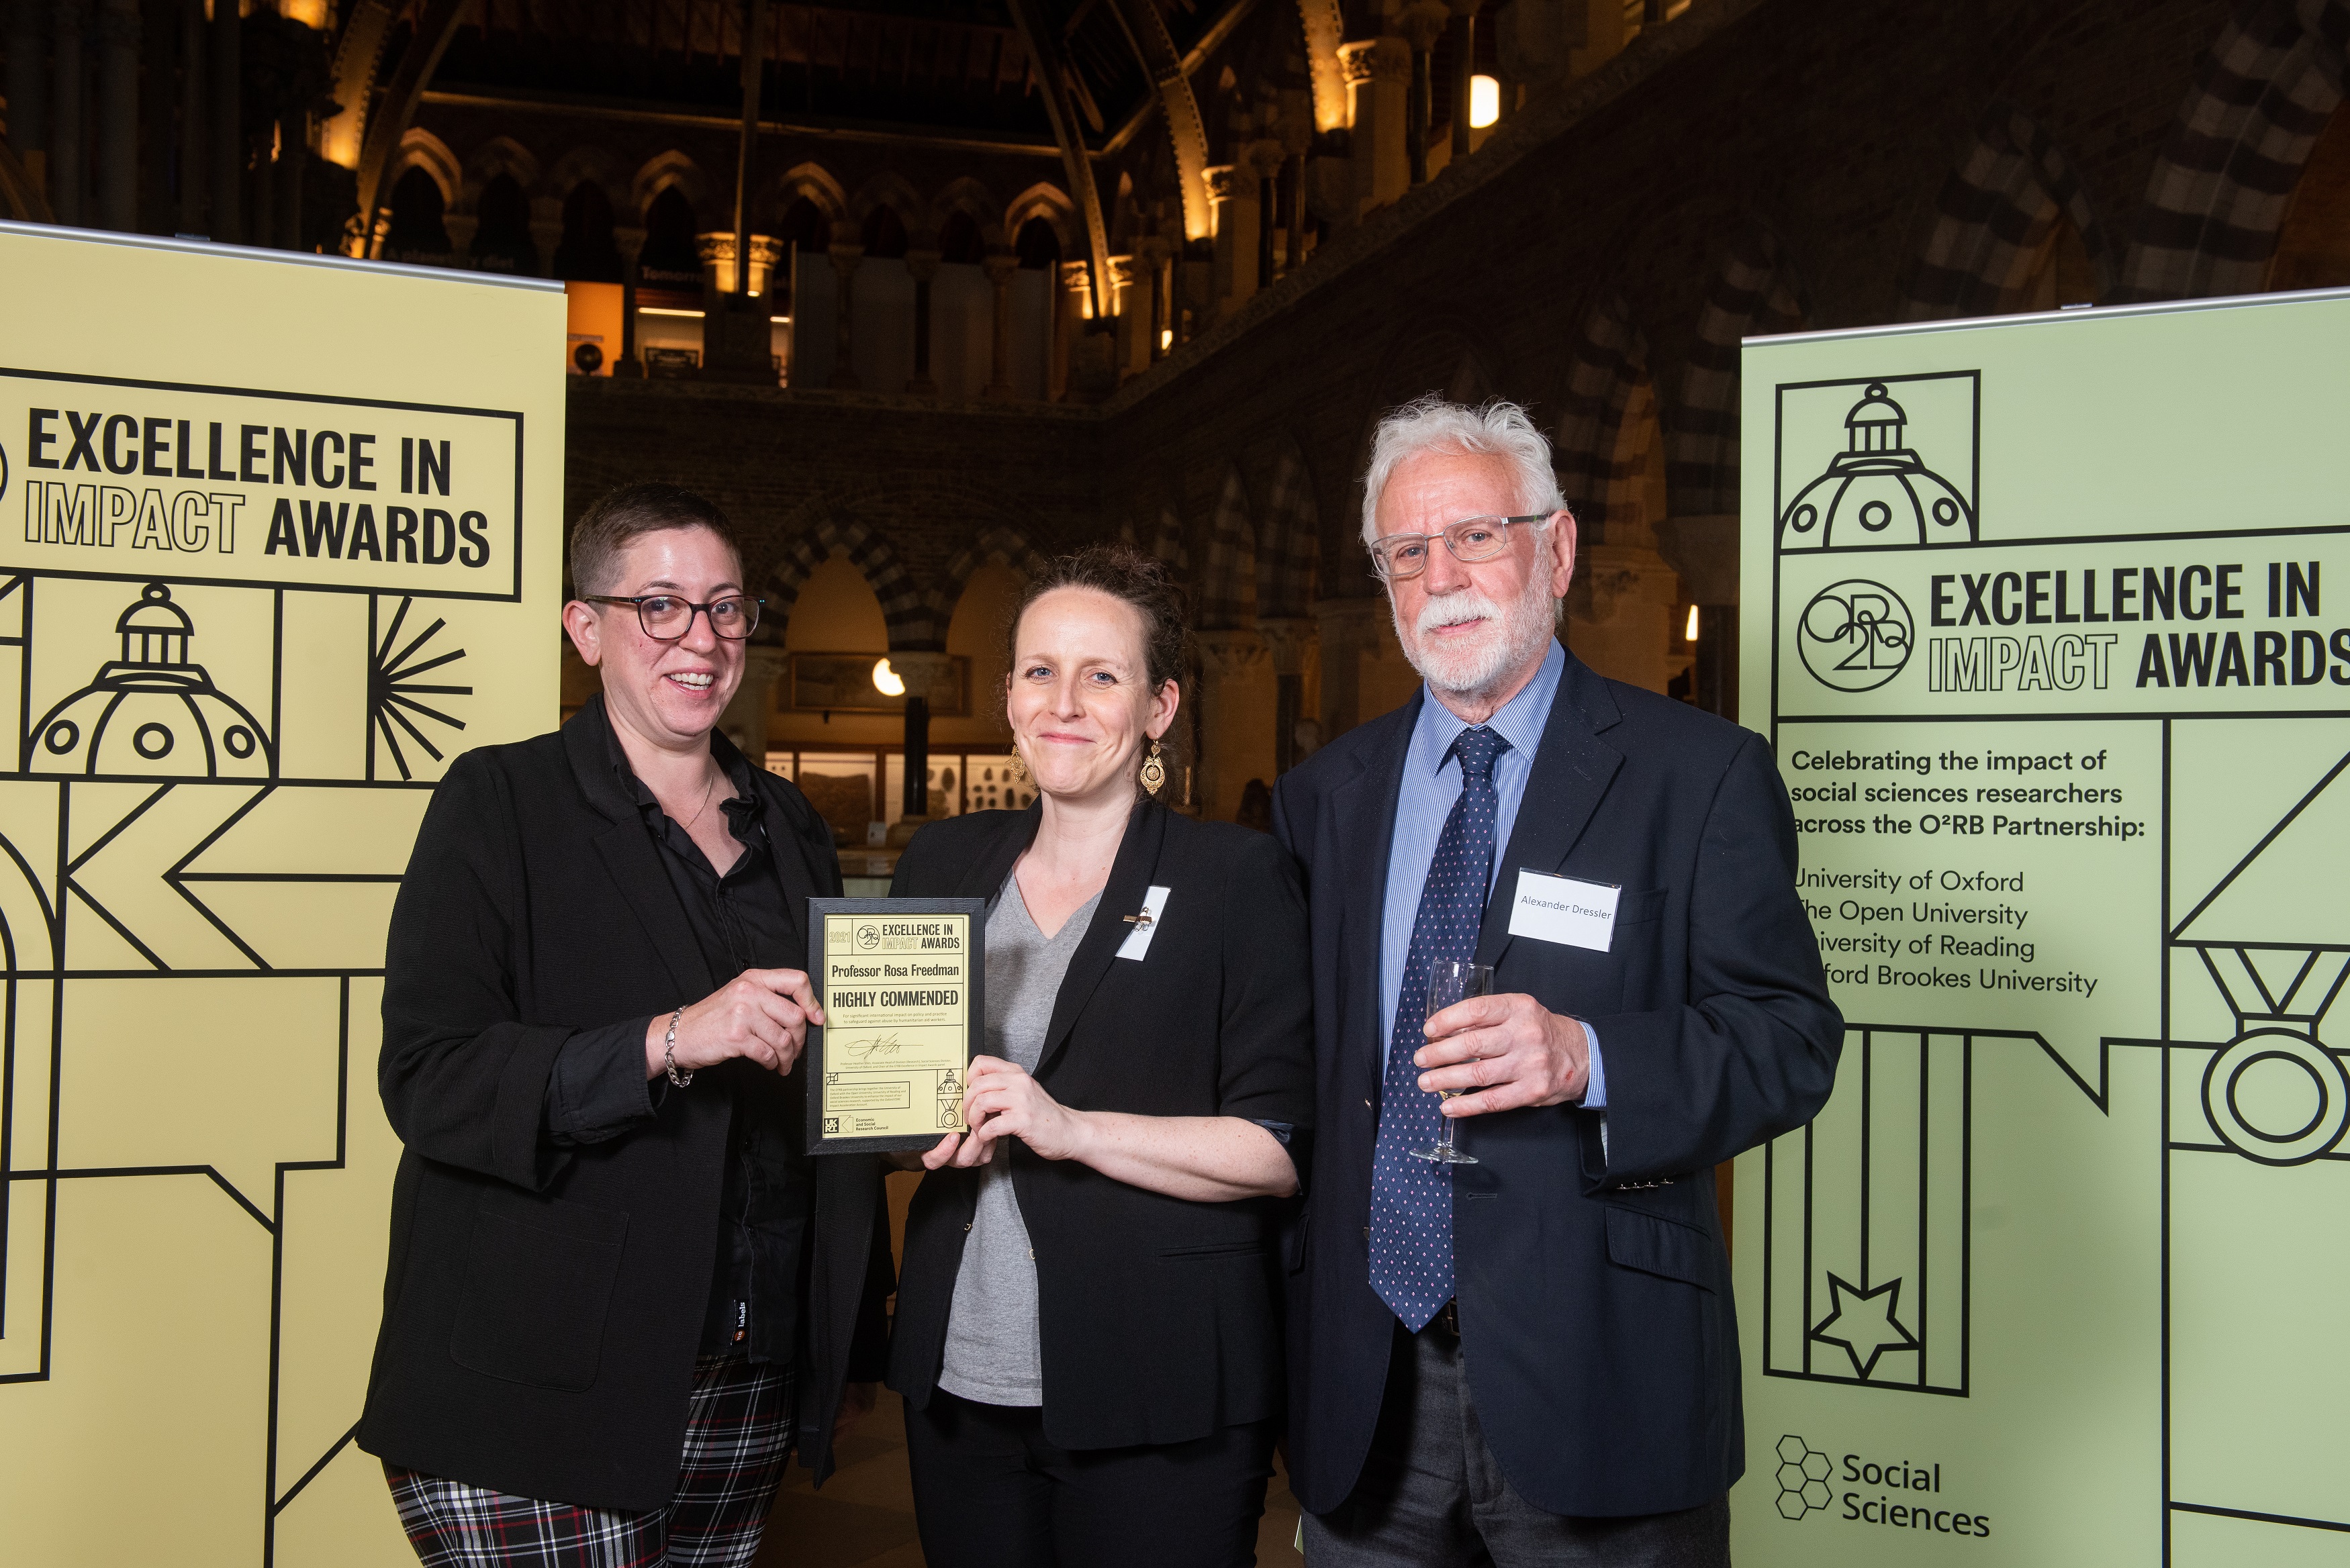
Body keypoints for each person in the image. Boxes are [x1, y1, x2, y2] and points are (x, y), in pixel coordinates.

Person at [1273, 398, 1843, 1566]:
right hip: (1367, 1387)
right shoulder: (1324, 797)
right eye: (1407, 553)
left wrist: (1589, 1059)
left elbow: (1790, 1039)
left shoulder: (1700, 775)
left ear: (1560, 547)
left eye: (1477, 535)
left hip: (1604, 1369)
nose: (1442, 577)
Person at [358, 483, 891, 1567]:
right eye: (660, 605)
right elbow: (429, 1075)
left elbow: (821, 1101)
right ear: (585, 628)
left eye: (725, 607)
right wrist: (666, 1040)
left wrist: (847, 1338)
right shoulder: (499, 803)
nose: (700, 638)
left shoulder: (790, 824)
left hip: (744, 1373)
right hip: (533, 1372)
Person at [886, 544, 1313, 1568]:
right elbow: (896, 1107)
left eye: (1102, 675)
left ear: (1159, 708)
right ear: (1008, 697)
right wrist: (896, 1125)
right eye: (1040, 671)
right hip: (961, 1380)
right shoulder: (944, 862)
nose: (1064, 702)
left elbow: (1279, 1147)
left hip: (1160, 1386)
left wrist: (1066, 1129)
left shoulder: (1235, 877)